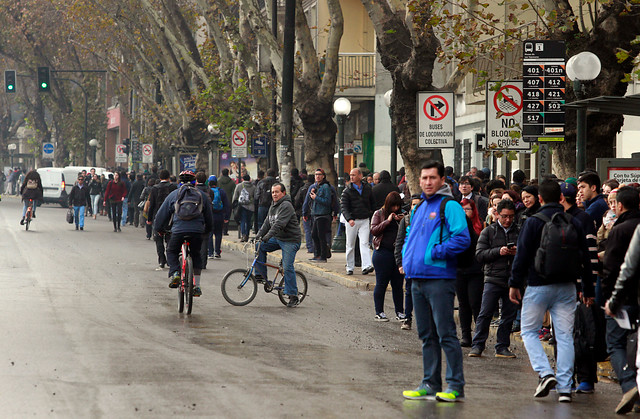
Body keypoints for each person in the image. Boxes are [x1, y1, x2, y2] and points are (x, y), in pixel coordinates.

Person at [508, 180, 594, 403]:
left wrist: (514, 283)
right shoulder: (573, 222)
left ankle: (545, 373)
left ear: (541, 199)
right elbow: (585, 258)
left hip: (537, 285)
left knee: (528, 331)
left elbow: (522, 255)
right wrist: (587, 288)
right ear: (561, 198)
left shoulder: (533, 222)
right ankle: (565, 388)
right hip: (567, 286)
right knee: (565, 336)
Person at [401, 161, 470, 403]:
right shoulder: (419, 207)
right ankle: (429, 383)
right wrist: (407, 262)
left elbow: (462, 239)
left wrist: (435, 253)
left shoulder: (449, 205)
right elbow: (410, 236)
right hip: (416, 280)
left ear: (442, 180)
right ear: (419, 181)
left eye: (432, 178)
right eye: (424, 178)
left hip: (440, 279)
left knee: (446, 334)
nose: (428, 182)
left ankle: (455, 386)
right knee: (426, 335)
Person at [559, 182, 603, 395]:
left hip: (572, 286)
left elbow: (591, 256)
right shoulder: (577, 218)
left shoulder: (581, 219)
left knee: (581, 332)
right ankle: (570, 378)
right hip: (568, 286)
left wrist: (588, 288)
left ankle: (583, 378)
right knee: (568, 333)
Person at [601, 186, 640, 413]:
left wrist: (610, 299)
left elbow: (616, 268)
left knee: (615, 342)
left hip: (623, 297)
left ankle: (629, 385)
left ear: (620, 205)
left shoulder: (621, 229)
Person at [469, 199, 520, 358]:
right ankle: (478, 345)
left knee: (508, 315)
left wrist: (517, 252)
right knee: (485, 313)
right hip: (493, 278)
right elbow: (479, 255)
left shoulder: (519, 231)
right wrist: (499, 251)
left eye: (511, 216)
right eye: (504, 216)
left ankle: (502, 346)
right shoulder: (489, 231)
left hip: (512, 279)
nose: (507, 220)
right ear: (497, 214)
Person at [154, 171, 214, 297]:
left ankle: (175, 273)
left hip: (178, 230)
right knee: (196, 254)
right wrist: (207, 230)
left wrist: (159, 229)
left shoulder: (174, 195)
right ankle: (196, 286)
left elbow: (161, 215)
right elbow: (209, 216)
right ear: (195, 182)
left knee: (171, 251)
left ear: (178, 182)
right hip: (197, 231)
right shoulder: (201, 195)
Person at [254, 183, 302, 307]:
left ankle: (293, 295)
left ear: (283, 193)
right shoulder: (273, 205)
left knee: (287, 267)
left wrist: (267, 237)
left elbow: (279, 224)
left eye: (277, 192)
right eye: (273, 192)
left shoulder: (286, 205)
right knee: (260, 246)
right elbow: (267, 223)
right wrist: (258, 236)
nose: (274, 194)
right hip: (279, 238)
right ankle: (261, 276)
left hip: (291, 240)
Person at [370, 191, 405, 322]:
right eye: (393, 206)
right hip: (382, 253)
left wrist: (402, 220)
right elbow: (374, 230)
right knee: (381, 283)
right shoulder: (379, 213)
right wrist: (388, 221)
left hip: (398, 254)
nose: (395, 209)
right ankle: (379, 311)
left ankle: (400, 312)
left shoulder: (403, 214)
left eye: (398, 206)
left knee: (398, 284)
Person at [455, 198, 485, 348]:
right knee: (463, 303)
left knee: (475, 302)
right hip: (459, 269)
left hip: (474, 269)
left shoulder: (472, 226)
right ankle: (466, 335)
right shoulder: (454, 224)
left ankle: (479, 338)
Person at [394, 194, 423, 331]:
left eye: (418, 204)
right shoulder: (405, 221)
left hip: (424, 263)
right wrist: (400, 264)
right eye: (413, 204)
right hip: (409, 262)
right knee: (409, 291)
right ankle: (407, 318)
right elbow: (399, 243)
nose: (415, 207)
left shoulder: (428, 220)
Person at [340, 168, 375, 275]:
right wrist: (349, 219)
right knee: (350, 244)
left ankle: (366, 265)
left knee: (364, 243)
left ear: (360, 176)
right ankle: (350, 267)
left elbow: (372, 203)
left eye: (354, 175)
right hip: (352, 221)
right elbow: (344, 207)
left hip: (364, 219)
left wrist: (371, 214)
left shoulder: (367, 189)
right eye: (350, 175)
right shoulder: (347, 191)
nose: (351, 177)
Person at [147, 170, 178, 269]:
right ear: (169, 177)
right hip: (170, 217)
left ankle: (161, 259)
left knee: (158, 239)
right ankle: (170, 259)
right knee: (169, 239)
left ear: (160, 178)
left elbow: (151, 205)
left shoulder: (155, 188)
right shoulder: (173, 187)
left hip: (157, 216)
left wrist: (149, 218)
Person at [307, 169, 333, 263]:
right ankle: (317, 254)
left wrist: (316, 197)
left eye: (319, 174)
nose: (317, 176)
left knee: (321, 236)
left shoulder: (325, 187)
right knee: (314, 235)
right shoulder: (316, 186)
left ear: (323, 176)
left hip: (323, 214)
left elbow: (327, 201)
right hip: (316, 214)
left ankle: (323, 256)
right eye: (316, 174)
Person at [207, 175, 230, 259]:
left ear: (209, 183)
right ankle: (217, 251)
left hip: (210, 215)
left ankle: (210, 253)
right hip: (219, 215)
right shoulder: (221, 191)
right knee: (218, 234)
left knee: (209, 234)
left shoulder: (207, 191)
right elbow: (226, 205)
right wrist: (226, 217)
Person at [233, 174, 256, 242]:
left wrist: (234, 205)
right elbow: (255, 197)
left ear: (243, 179)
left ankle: (243, 235)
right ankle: (247, 234)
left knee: (243, 220)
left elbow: (235, 196)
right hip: (251, 207)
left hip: (242, 206)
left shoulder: (239, 186)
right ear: (249, 179)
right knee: (248, 221)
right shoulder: (253, 187)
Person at [218, 168, 236, 236]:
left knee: (220, 215)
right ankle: (225, 230)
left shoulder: (218, 181)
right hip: (228, 201)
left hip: (219, 201)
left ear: (222, 173)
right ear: (228, 173)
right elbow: (234, 192)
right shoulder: (231, 182)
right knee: (227, 217)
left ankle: (220, 229)